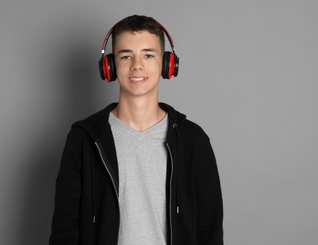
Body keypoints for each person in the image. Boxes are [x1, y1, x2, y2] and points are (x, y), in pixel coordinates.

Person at [49, 15, 223, 245]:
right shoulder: (83, 139)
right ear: (109, 66)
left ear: (167, 64)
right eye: (126, 56)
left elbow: (210, 233)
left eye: (148, 55)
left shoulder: (193, 140)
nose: (137, 65)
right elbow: (64, 231)